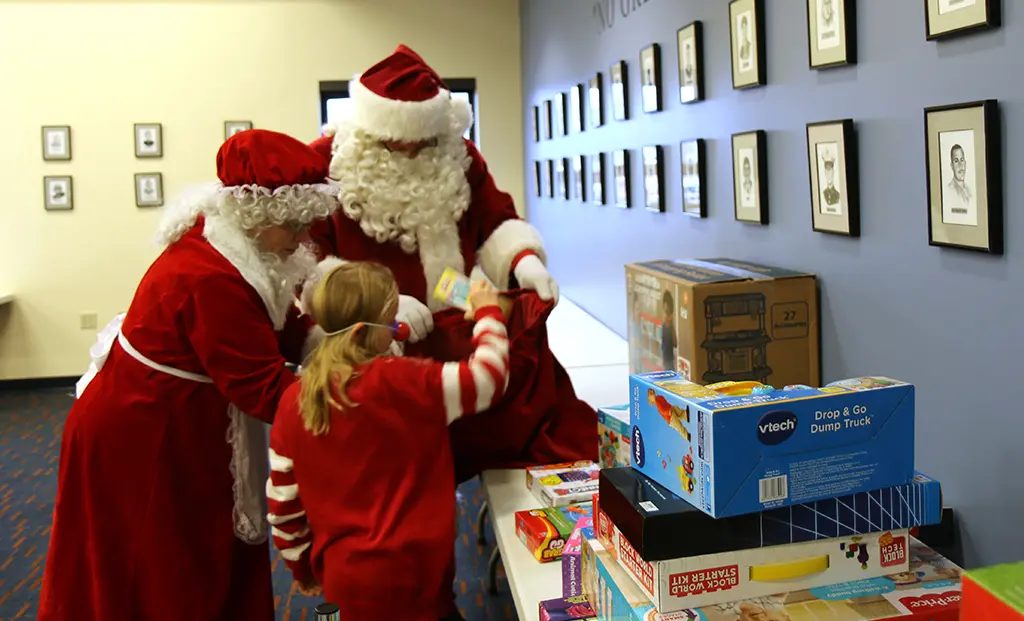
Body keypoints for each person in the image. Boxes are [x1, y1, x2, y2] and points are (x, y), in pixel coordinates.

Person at [38, 129, 337, 621]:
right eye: (293, 225)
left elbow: (280, 321)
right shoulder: (210, 277)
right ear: (255, 216)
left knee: (196, 558)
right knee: (158, 570)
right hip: (143, 437)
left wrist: (329, 346)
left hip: (178, 419)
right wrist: (364, 399)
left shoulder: (240, 248)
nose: (305, 238)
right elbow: (264, 391)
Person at [267, 262, 509, 621]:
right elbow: (489, 379)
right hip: (417, 578)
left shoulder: (294, 400)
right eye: (391, 318)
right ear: (367, 331)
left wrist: (301, 568)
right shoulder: (406, 381)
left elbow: (283, 505)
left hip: (343, 581)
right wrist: (489, 313)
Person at [305, 44, 557, 343]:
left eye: (424, 143)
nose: (411, 153)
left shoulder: (458, 154)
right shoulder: (322, 162)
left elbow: (494, 219)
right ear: (369, 131)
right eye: (395, 144)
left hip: (453, 313)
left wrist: (523, 259)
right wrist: (376, 304)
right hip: (369, 334)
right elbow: (305, 261)